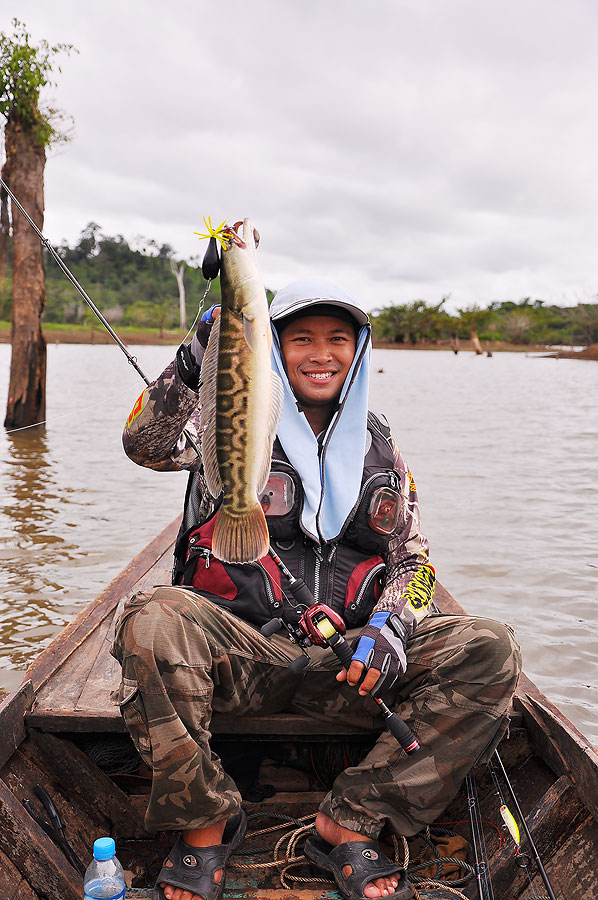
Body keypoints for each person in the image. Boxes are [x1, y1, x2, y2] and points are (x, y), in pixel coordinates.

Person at [112, 278, 521, 900]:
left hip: (350, 669)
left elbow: (414, 562)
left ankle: (351, 817)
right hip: (242, 660)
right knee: (152, 619)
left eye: (338, 339)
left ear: (359, 351)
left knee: (491, 648)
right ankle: (205, 823)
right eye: (300, 339)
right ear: (271, 348)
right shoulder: (230, 418)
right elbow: (144, 443)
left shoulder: (381, 445)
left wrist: (391, 628)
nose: (320, 354)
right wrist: (199, 354)